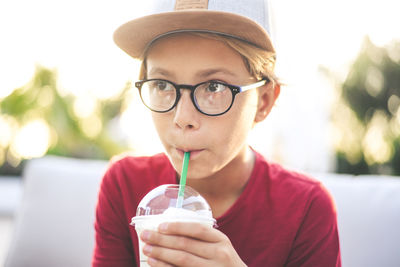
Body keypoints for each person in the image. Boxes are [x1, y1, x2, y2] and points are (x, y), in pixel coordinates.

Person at [93, 0, 341, 266]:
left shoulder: (306, 208)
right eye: (163, 84)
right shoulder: (124, 185)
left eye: (213, 87)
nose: (183, 118)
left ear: (264, 101)